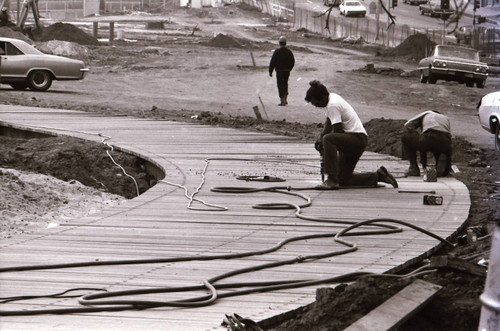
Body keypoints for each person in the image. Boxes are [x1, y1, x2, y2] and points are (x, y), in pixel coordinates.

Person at [305, 80, 398, 190]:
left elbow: (337, 131)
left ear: (322, 96)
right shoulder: (332, 98)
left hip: (356, 139)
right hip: (357, 141)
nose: (316, 106)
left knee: (328, 139)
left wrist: (325, 153)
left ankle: (331, 179)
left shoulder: (332, 105)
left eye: (316, 103)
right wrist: (320, 138)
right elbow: (329, 122)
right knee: (343, 180)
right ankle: (378, 176)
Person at [401, 110, 452, 177]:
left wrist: (415, 133)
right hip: (445, 141)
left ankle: (414, 168)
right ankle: (446, 170)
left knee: (405, 137)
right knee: (441, 148)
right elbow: (449, 136)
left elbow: (407, 125)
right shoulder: (445, 118)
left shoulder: (427, 113)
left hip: (428, 137)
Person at [269, 36, 295, 106]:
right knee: (285, 84)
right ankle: (285, 98)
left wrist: (270, 71)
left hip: (279, 71)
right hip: (286, 71)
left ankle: (282, 100)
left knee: (280, 85)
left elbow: (272, 62)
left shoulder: (277, 52)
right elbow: (293, 62)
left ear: (279, 43)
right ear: (285, 43)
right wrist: (289, 69)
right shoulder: (289, 52)